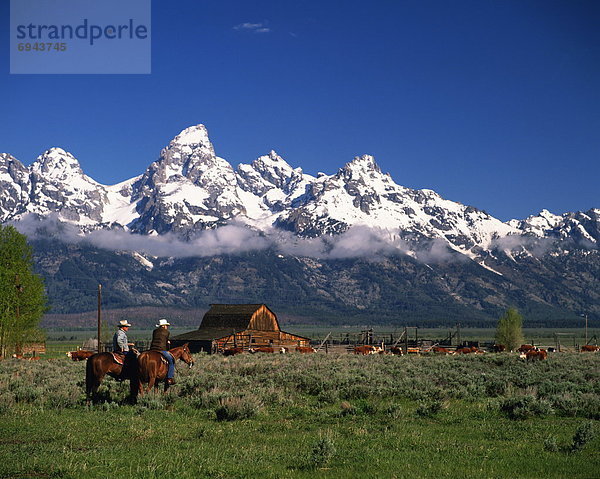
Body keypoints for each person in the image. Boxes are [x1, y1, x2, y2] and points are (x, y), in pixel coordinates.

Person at [150, 319, 175, 384]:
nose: (167, 327)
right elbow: (166, 343)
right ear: (163, 326)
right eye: (166, 325)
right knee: (171, 361)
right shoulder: (166, 332)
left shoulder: (154, 331)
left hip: (152, 349)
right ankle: (169, 378)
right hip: (161, 349)